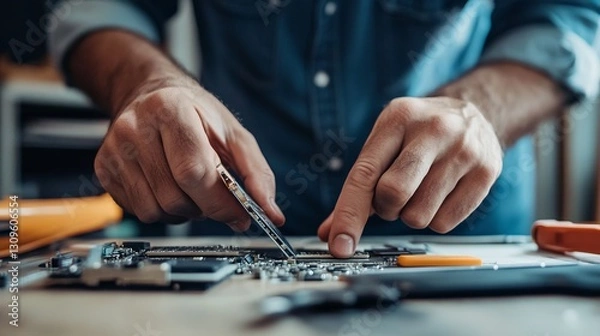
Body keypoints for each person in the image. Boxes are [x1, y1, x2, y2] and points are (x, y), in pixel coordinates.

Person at [49, 0, 599, 258]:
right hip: (230, 246)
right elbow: (93, 10)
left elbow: (572, 18)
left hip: (466, 242)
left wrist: (478, 106)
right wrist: (144, 85)